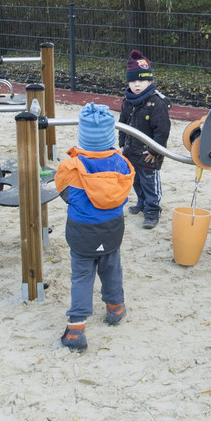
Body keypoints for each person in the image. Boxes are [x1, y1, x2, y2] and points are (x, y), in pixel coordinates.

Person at [55, 103, 136, 351]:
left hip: (82, 232)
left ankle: (77, 328)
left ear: (83, 137)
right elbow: (122, 197)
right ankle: (115, 308)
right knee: (111, 268)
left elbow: (64, 194)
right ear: (110, 136)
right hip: (111, 229)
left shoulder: (70, 167)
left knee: (81, 276)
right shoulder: (122, 164)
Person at [118, 50, 171, 230]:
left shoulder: (156, 103)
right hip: (131, 151)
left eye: (141, 80)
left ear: (149, 81)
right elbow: (123, 123)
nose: (136, 84)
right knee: (136, 180)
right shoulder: (127, 101)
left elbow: (162, 130)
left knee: (149, 181)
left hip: (149, 153)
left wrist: (155, 151)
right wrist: (122, 142)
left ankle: (152, 209)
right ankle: (141, 202)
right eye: (132, 81)